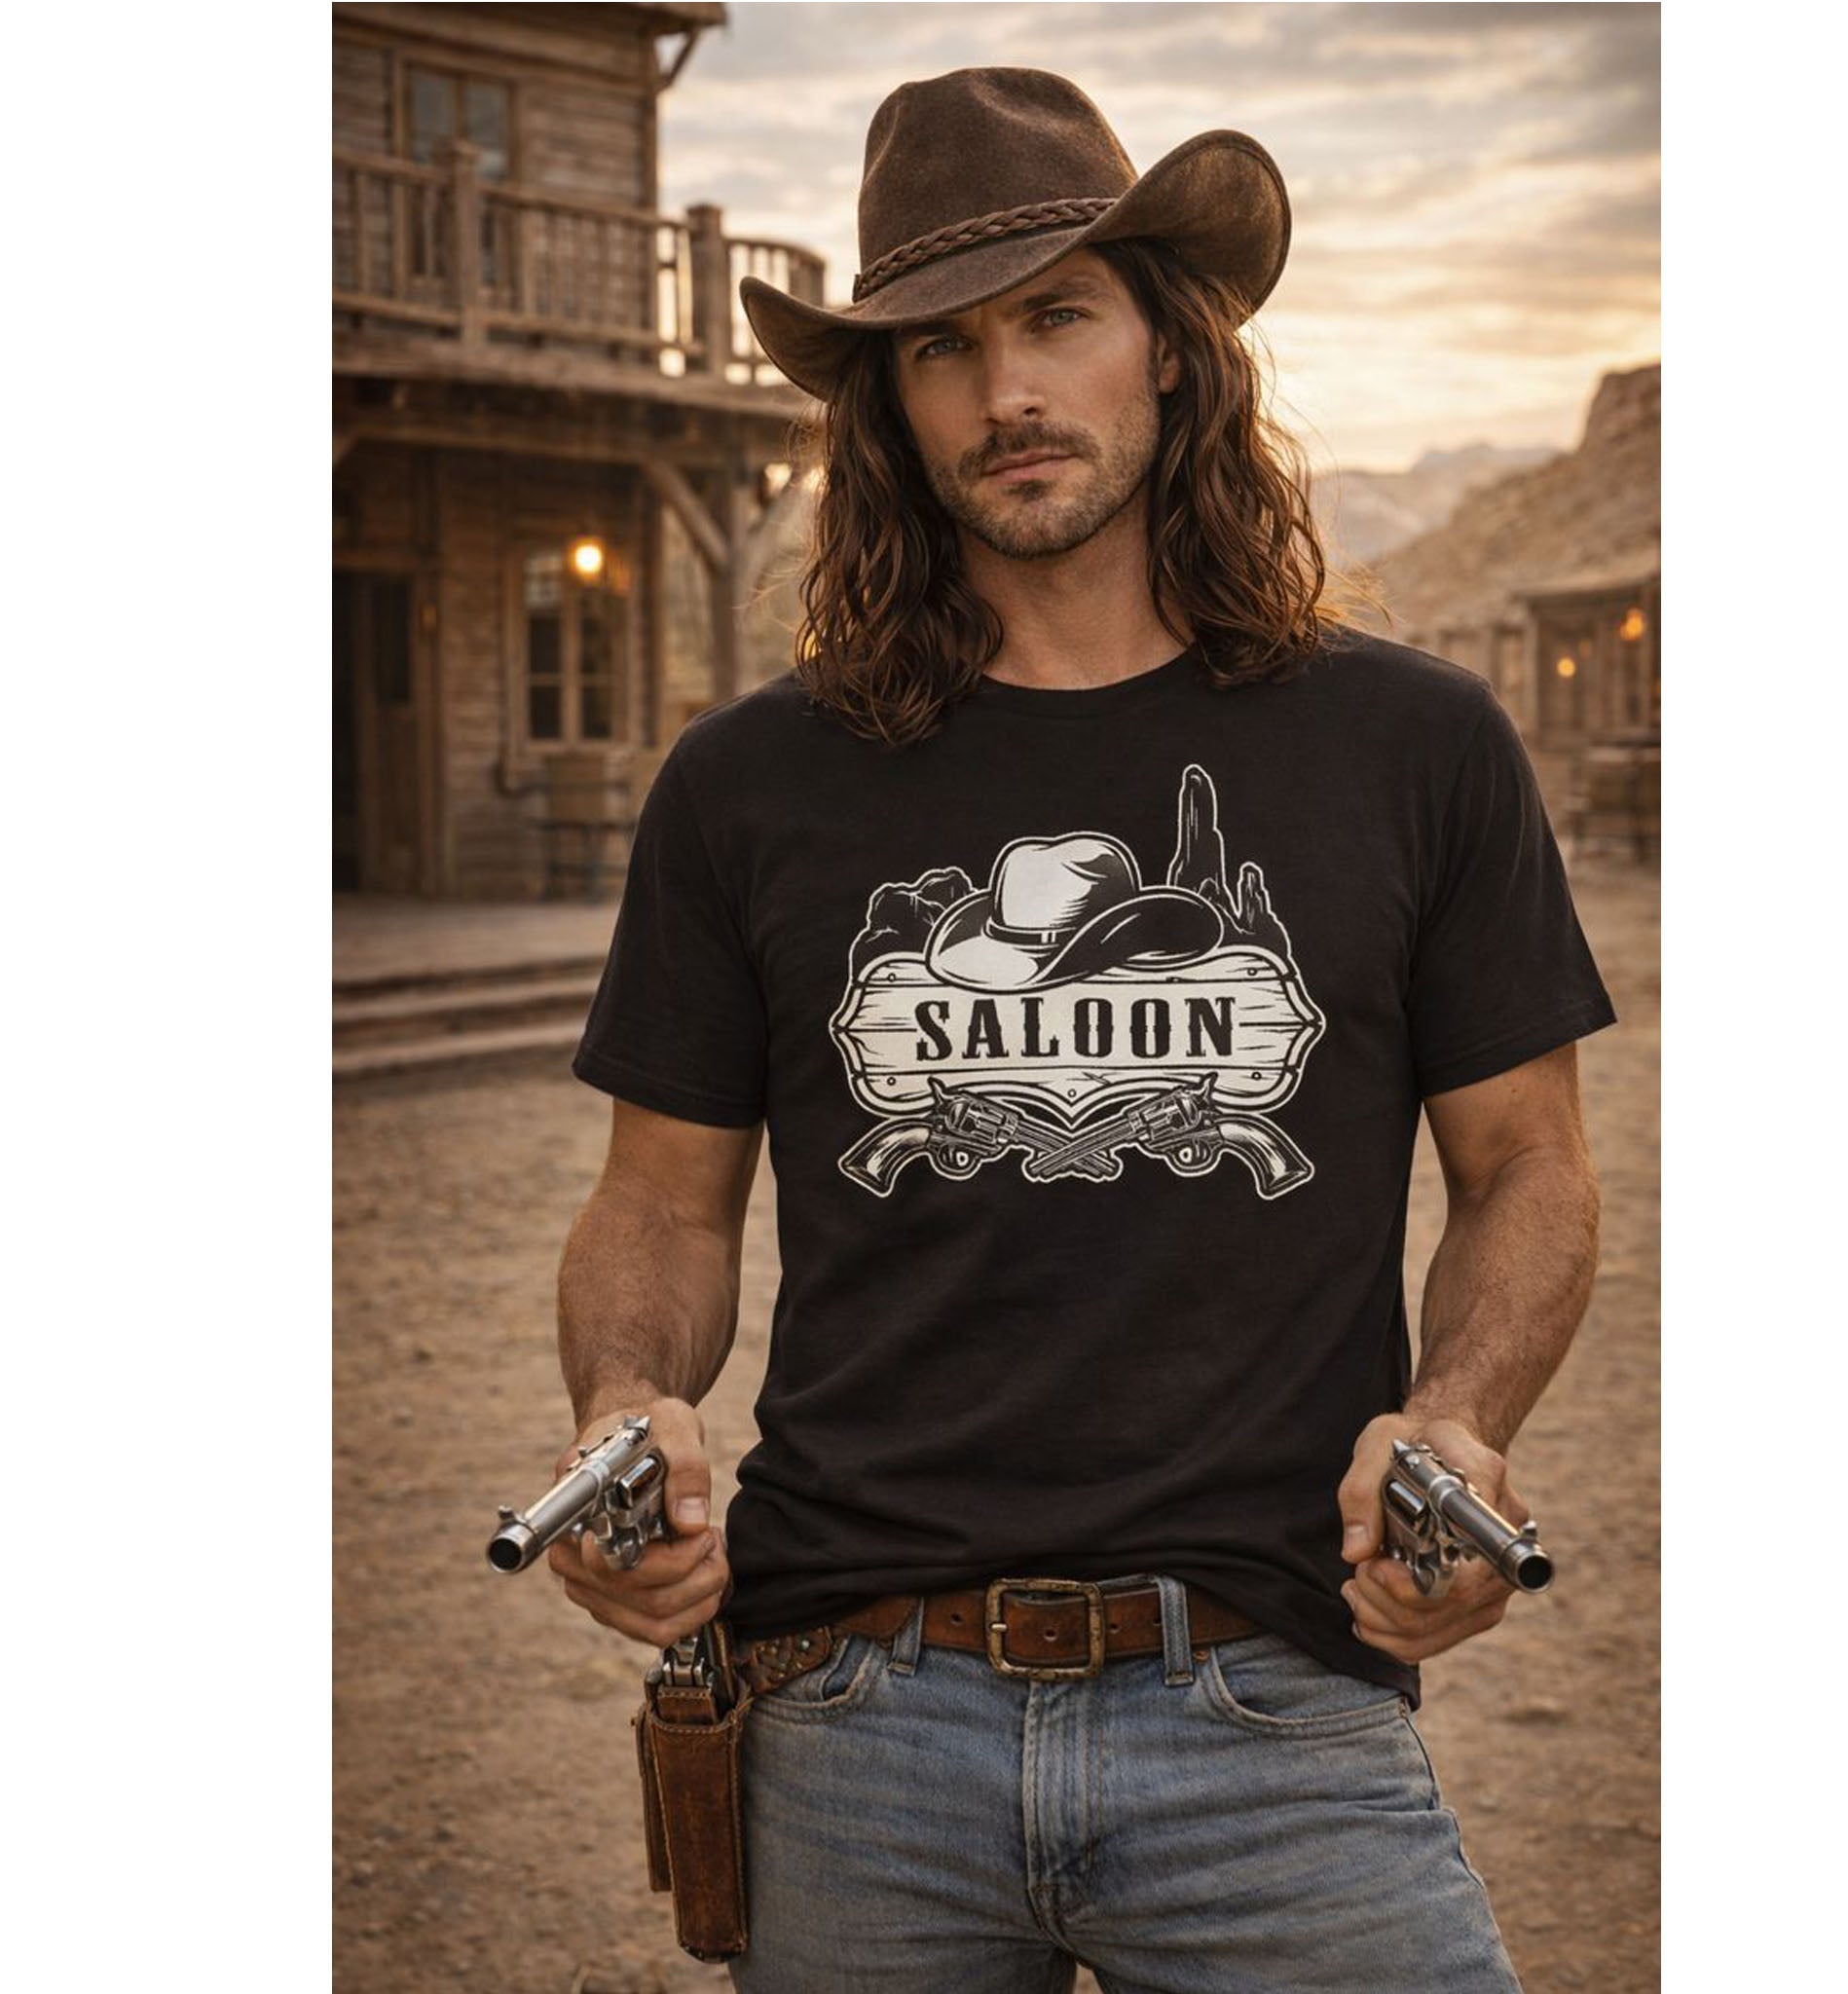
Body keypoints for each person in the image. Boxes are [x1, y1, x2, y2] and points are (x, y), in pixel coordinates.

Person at [549, 66, 1614, 1993]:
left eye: (1057, 315)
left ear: (1173, 355)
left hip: (1278, 1709)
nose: (1004, 388)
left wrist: (1459, 1421)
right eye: (941, 349)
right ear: (887, 408)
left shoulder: (1411, 745)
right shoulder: (748, 788)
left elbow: (1528, 1168)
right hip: (858, 1714)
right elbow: (662, 1206)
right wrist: (626, 1404)